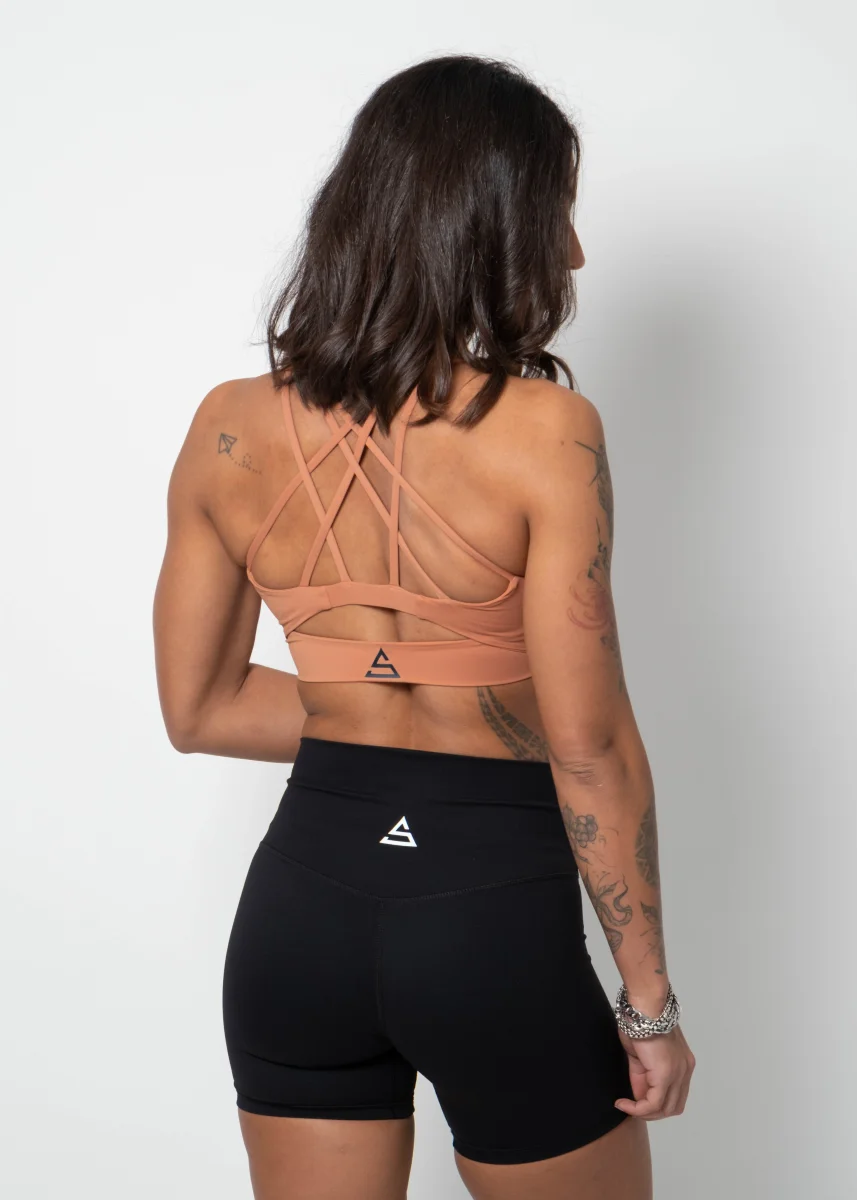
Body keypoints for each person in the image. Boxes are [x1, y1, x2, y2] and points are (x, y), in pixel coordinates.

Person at [153, 53, 694, 1200]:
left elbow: (198, 709)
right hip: (487, 920)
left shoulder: (228, 427)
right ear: (487, 226)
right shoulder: (547, 432)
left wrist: (369, 704)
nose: (573, 252)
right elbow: (589, 748)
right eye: (554, 215)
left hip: (297, 918)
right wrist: (646, 1005)